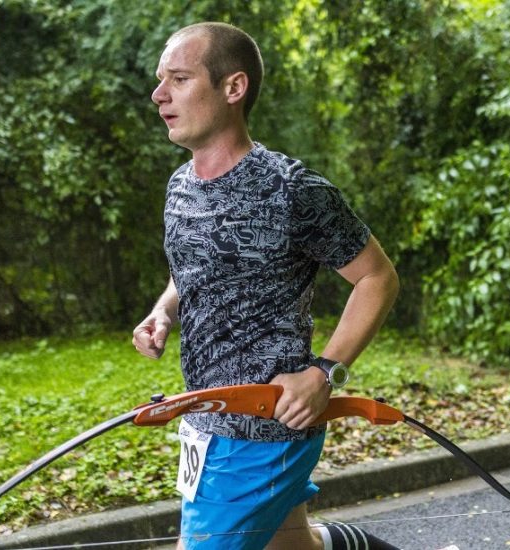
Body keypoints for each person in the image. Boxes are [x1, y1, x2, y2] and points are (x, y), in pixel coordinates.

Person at [132, 22, 400, 550]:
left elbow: (377, 277)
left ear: (233, 88)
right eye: (161, 80)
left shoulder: (292, 190)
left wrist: (326, 371)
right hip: (206, 421)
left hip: (263, 428)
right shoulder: (181, 186)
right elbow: (196, 268)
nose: (159, 94)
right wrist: (164, 309)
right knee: (292, 546)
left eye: (179, 79)